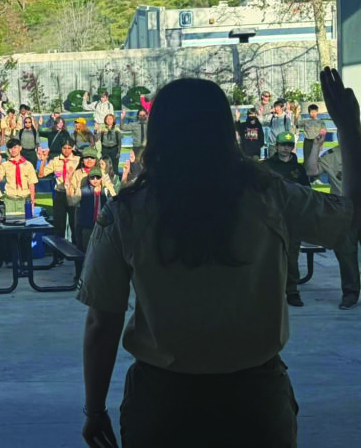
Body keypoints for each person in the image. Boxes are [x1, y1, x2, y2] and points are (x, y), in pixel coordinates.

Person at [78, 72, 360, 448]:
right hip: (254, 400)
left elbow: (102, 322)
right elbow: (350, 219)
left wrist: (95, 411)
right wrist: (350, 130)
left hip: (163, 403)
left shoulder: (126, 212)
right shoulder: (269, 195)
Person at [305, 133, 360, 309]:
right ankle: (350, 294)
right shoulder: (333, 155)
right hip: (344, 212)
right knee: (346, 255)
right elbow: (312, 171)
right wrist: (316, 146)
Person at [264, 131, 311, 307]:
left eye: (289, 145)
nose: (286, 148)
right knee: (270, 257)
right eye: (283, 144)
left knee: (291, 258)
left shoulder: (298, 169)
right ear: (276, 146)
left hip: (293, 219)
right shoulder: (266, 166)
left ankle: (292, 292)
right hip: (271, 218)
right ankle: (270, 292)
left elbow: (307, 192)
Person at [39, 142, 80, 241]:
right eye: (64, 148)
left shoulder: (78, 160)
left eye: (69, 148)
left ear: (73, 148)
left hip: (73, 194)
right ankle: (58, 254)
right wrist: (44, 160)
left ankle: (75, 251)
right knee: (59, 225)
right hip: (59, 193)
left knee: (74, 224)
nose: (66, 150)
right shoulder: (56, 161)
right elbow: (41, 174)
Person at [0, 140, 38, 217]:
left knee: (24, 225)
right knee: (9, 225)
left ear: (20, 148)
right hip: (9, 200)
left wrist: (32, 202)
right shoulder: (5, 165)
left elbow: (31, 185)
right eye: (10, 148)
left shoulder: (28, 165)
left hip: (24, 200)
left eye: (15, 147)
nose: (13, 150)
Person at [73, 167, 114, 253]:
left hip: (102, 225)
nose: (95, 180)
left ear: (101, 179)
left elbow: (115, 199)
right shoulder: (84, 191)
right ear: (88, 179)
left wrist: (109, 186)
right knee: (86, 249)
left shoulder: (105, 191)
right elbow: (72, 202)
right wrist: (70, 187)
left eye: (98, 177)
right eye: (92, 178)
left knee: (101, 250)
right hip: (88, 225)